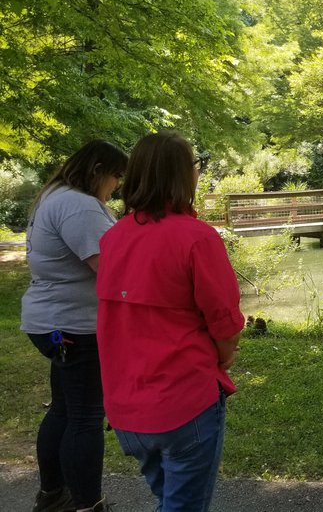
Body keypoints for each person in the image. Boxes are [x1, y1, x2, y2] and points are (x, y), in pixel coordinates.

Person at [96, 132, 244, 512]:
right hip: (184, 403)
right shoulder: (197, 238)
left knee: (168, 501)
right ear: (182, 176)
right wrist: (224, 358)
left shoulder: (113, 239)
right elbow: (225, 323)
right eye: (194, 166)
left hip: (128, 408)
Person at [21, 140, 128, 512]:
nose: (117, 185)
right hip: (74, 327)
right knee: (85, 417)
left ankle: (52, 496)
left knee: (64, 411)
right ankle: (88, 505)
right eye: (116, 176)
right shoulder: (79, 206)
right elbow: (113, 273)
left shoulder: (54, 195)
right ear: (97, 170)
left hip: (51, 321)